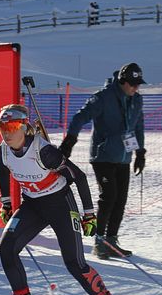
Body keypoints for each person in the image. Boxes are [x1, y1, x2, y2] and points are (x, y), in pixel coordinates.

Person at [0, 104, 126, 295]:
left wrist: (88, 215)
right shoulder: (2, 151)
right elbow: (2, 170)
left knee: (74, 262)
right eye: (2, 127)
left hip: (60, 205)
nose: (7, 132)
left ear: (25, 127)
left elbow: (80, 177)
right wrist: (6, 203)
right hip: (33, 204)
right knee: (6, 248)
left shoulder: (44, 152)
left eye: (12, 126)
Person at [59, 62, 146, 260]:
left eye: (138, 84)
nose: (135, 88)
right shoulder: (103, 97)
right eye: (132, 84)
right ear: (123, 81)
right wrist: (70, 139)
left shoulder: (137, 100)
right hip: (103, 156)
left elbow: (138, 126)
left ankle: (111, 241)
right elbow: (79, 117)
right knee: (109, 196)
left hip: (124, 156)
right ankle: (99, 242)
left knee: (120, 200)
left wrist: (140, 152)